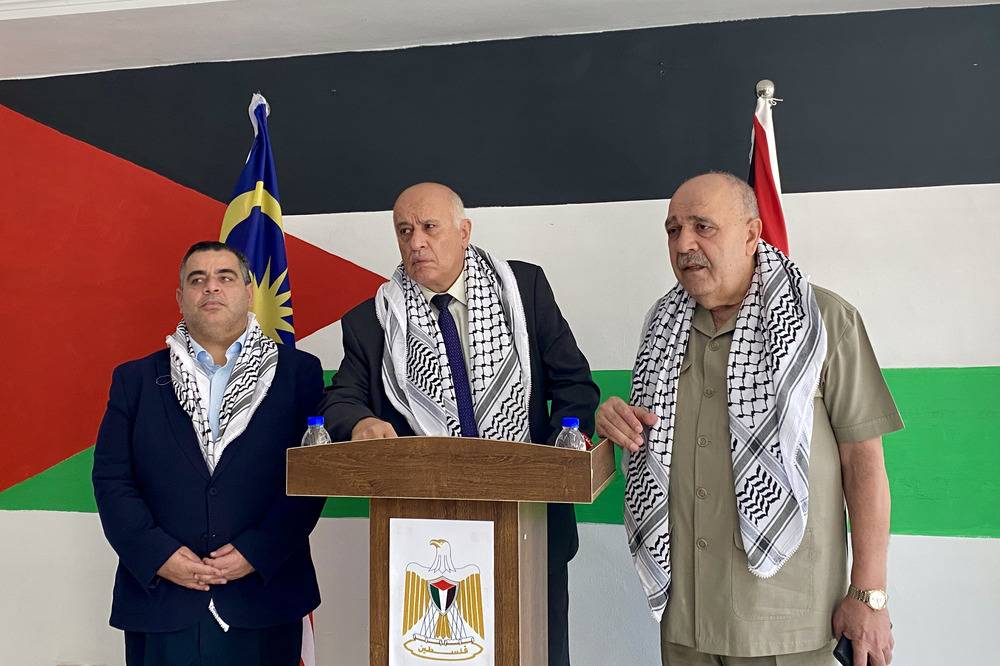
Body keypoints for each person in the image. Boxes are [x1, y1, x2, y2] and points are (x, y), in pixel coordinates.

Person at [597, 173, 902, 666]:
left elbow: (863, 462)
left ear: (751, 234)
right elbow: (650, 438)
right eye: (673, 229)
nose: (684, 243)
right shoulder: (662, 328)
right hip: (686, 619)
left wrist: (870, 595)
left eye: (703, 226)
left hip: (787, 621)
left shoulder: (820, 321)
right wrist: (613, 418)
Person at [321, 182, 599, 665]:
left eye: (429, 228)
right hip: (423, 538)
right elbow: (340, 398)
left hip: (530, 523)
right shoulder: (371, 320)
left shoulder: (524, 290)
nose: (416, 242)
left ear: (464, 231)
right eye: (404, 231)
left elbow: (575, 385)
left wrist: (556, 453)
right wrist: (361, 422)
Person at [92, 241, 325, 666]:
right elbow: (112, 481)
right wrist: (157, 555)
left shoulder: (299, 374)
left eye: (225, 277)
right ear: (181, 298)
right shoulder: (136, 381)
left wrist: (257, 551)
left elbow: (310, 479)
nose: (210, 288)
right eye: (197, 280)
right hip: (162, 600)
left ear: (250, 290)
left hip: (265, 599)